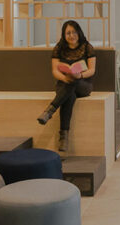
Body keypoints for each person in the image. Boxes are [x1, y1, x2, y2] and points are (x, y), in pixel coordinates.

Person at [37, 20, 97, 152]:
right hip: (64, 84)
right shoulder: (59, 48)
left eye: (74, 32)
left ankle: (50, 111)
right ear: (64, 35)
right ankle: (64, 137)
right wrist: (66, 77)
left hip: (83, 84)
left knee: (73, 83)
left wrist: (79, 76)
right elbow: (54, 71)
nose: (71, 35)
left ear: (79, 33)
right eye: (68, 33)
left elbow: (92, 70)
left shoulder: (87, 47)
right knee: (70, 96)